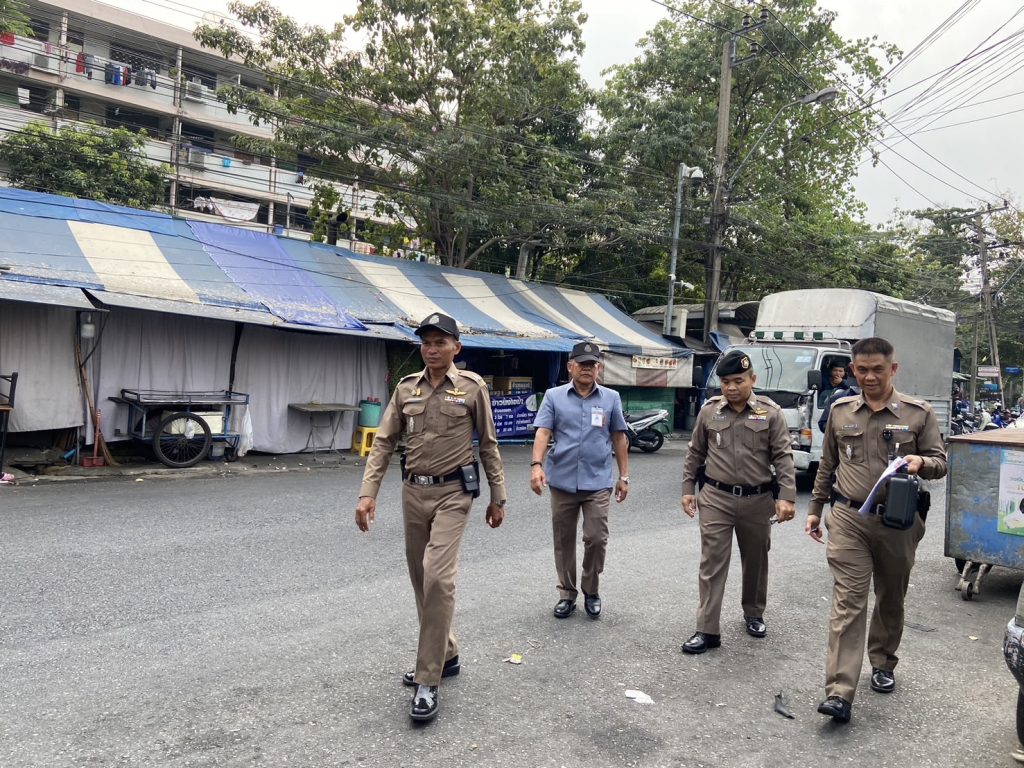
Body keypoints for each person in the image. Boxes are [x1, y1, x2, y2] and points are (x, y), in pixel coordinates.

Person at [355, 312, 507, 723]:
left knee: (438, 577)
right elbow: (384, 441)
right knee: (422, 580)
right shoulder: (406, 388)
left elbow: (488, 444)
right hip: (413, 492)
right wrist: (368, 493)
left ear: (457, 347)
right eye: (427, 342)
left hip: (454, 494)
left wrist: (498, 497)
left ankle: (428, 678)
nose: (432, 349)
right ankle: (447, 652)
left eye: (441, 342)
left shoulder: (472, 388)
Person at [806, 337, 946, 724]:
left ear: (893, 369)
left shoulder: (918, 413)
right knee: (848, 602)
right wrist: (815, 509)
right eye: (862, 370)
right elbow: (827, 465)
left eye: (878, 370)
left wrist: (921, 462)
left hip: (898, 521)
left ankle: (883, 661)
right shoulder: (840, 411)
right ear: (853, 370)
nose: (869, 377)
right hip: (849, 518)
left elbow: (940, 462)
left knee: (890, 595)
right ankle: (839, 691)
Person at [680, 349, 797, 654]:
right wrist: (688, 488)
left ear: (752, 379)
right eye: (725, 382)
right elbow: (695, 452)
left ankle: (754, 613)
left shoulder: (770, 413)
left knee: (756, 560)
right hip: (716, 498)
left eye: (738, 381)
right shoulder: (709, 411)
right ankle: (707, 629)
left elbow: (783, 456)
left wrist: (787, 496)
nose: (731, 387)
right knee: (712, 562)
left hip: (757, 500)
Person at [530, 341, 629, 619]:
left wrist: (624, 476)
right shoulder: (554, 396)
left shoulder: (611, 398)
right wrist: (536, 465)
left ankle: (591, 590)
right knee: (563, 541)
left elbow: (618, 437)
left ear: (599, 368)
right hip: (562, 481)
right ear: (570, 366)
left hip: (597, 481)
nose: (587, 369)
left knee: (596, 538)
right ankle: (567, 593)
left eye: (592, 364)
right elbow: (543, 432)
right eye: (582, 364)